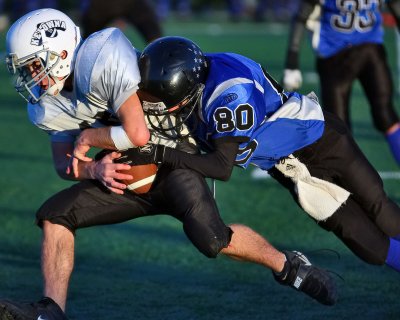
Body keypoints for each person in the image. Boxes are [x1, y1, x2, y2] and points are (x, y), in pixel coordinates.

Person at [1, 8, 337, 319]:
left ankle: (288, 266)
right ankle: (51, 311)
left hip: (171, 164)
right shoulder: (47, 108)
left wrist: (88, 139)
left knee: (213, 240)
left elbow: (138, 132)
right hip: (122, 182)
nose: (30, 76)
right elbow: (64, 164)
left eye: (33, 65)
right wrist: (92, 169)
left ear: (60, 54)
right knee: (54, 215)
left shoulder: (99, 57)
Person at [123, 35, 400, 281]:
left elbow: (221, 167)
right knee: (369, 246)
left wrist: (159, 153)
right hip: (288, 169)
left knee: (381, 210)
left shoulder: (230, 94)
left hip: (322, 142)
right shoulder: (197, 74)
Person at [282, 0, 400, 166]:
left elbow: (395, 6)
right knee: (344, 129)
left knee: (381, 117)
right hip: (343, 55)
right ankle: (353, 188)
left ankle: (352, 186)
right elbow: (302, 15)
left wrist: (291, 63)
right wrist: (291, 63)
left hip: (358, 52)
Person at [80, 0, 162, 42]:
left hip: (132, 3)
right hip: (103, 3)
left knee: (156, 39)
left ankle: (160, 62)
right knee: (86, 41)